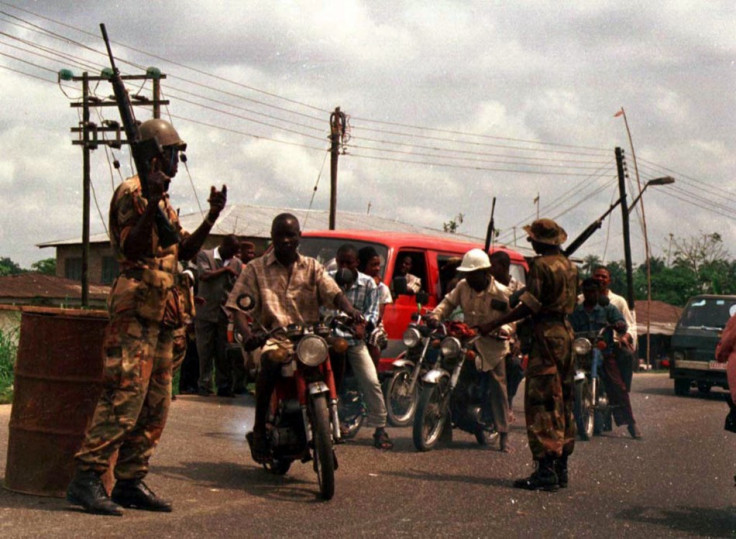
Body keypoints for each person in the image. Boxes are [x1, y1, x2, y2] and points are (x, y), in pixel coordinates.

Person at [66, 118, 227, 515]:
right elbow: (132, 248)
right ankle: (86, 478)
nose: (178, 162)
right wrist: (152, 202)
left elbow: (182, 251)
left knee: (156, 404)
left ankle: (130, 480)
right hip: (137, 308)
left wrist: (211, 218)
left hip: (164, 311)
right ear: (157, 154)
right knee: (124, 395)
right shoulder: (134, 193)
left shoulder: (163, 198)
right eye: (173, 154)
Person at [225, 213, 364, 462]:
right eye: (281, 235)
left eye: (291, 235)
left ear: (299, 237)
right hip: (274, 337)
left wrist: (350, 310)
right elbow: (236, 306)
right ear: (272, 237)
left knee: (341, 346)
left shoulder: (312, 267)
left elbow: (333, 293)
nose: (286, 240)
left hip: (310, 336)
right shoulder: (255, 269)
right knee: (272, 358)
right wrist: (246, 334)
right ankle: (258, 429)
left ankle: (335, 402)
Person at [480, 218, 578, 491]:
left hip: (545, 336)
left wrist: (496, 322)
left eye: (532, 238)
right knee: (564, 400)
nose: (529, 241)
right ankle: (561, 467)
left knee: (543, 401)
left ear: (539, 240)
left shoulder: (540, 267)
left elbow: (531, 305)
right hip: (566, 334)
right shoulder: (570, 267)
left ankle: (545, 469)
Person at [427, 248, 513, 452]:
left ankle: (503, 434)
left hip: (493, 345)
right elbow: (447, 304)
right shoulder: (462, 287)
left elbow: (513, 318)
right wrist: (435, 316)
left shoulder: (501, 292)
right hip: (466, 339)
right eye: (467, 273)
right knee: (447, 375)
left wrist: (504, 330)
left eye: (473, 273)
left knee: (498, 384)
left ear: (485, 272)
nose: (469, 277)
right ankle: (443, 427)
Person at [332, 244, 393, 450]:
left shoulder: (369, 284)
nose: (344, 267)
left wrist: (362, 324)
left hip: (354, 341)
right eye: (341, 262)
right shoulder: (328, 279)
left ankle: (379, 428)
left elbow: (373, 313)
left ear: (357, 263)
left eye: (349, 263)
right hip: (330, 340)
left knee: (371, 381)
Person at [569, 278, 641, 438]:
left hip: (603, 352)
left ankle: (631, 423)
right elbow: (568, 326)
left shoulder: (608, 309)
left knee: (618, 386)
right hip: (581, 353)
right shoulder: (576, 312)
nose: (590, 294)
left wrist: (620, 325)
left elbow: (621, 322)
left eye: (594, 291)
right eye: (587, 292)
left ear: (598, 292)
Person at [195, 234, 243, 397]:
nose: (233, 255)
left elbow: (236, 288)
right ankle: (204, 385)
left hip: (224, 314)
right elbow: (204, 275)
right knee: (205, 350)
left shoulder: (237, 263)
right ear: (223, 245)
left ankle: (223, 385)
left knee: (223, 352)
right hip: (205, 312)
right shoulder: (205, 256)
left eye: (235, 252)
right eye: (231, 250)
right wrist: (225, 270)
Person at [489, 251, 524, 421]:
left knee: (515, 366)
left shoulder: (518, 288)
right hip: (487, 333)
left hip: (511, 337)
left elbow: (524, 317)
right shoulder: (489, 286)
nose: (489, 270)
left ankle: (507, 401)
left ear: (503, 267)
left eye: (492, 266)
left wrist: (519, 340)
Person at [592, 267, 638, 390]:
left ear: (609, 281)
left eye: (604, 277)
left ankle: (623, 390)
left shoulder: (618, 301)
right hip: (587, 343)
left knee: (626, 355)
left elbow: (631, 325)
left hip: (612, 345)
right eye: (597, 276)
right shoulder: (581, 299)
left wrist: (625, 337)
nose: (600, 279)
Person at [358, 246, 391, 366]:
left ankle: (373, 372)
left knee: (374, 337)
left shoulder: (382, 288)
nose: (377, 269)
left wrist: (374, 288)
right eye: (373, 265)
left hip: (372, 326)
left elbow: (378, 316)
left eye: (378, 265)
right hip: (351, 323)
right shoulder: (352, 282)